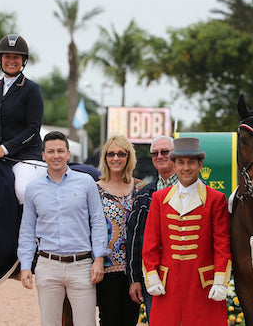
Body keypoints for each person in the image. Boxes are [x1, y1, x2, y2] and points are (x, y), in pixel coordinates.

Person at [17, 131, 108, 326]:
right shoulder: (33, 188)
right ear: (43, 155)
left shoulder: (86, 183)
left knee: (86, 323)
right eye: (50, 151)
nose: (56, 155)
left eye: (60, 151)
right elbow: (27, 229)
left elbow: (98, 221)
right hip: (47, 266)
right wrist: (25, 265)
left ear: (68, 153)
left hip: (82, 266)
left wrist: (99, 258)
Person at [142, 137, 232, 326]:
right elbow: (150, 242)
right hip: (168, 284)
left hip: (203, 284)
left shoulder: (216, 198)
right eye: (181, 162)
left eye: (191, 162)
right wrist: (151, 275)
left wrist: (220, 280)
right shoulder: (159, 198)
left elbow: (222, 243)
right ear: (174, 165)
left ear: (200, 164)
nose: (186, 168)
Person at [0, 34, 45, 205]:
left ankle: (27, 231)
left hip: (26, 157)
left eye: (16, 57)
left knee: (21, 190)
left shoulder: (31, 89)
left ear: (23, 61)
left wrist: (4, 149)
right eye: (7, 57)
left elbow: (33, 129)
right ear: (1, 59)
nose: (11, 61)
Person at [96, 134, 145, 326]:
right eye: (111, 154)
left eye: (121, 154)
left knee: (130, 320)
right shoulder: (95, 190)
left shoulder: (141, 188)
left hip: (134, 268)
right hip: (106, 268)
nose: (115, 158)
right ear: (105, 158)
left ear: (129, 157)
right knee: (108, 319)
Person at [126, 135, 177, 321]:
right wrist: (134, 279)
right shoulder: (144, 195)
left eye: (165, 151)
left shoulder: (197, 191)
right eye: (155, 153)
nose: (160, 156)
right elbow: (134, 239)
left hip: (187, 276)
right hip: (153, 279)